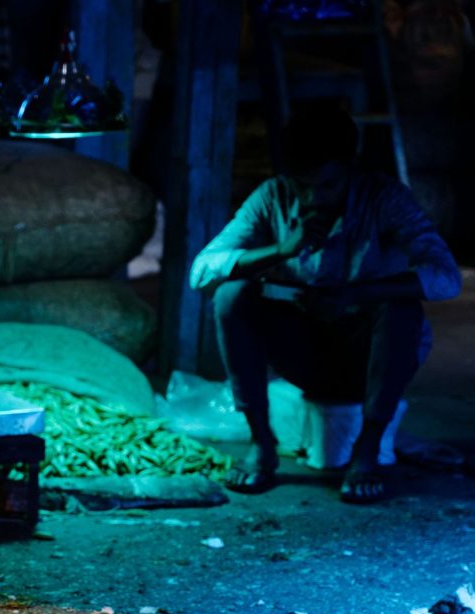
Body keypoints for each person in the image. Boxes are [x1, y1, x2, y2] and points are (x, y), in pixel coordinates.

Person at [189, 103, 461, 504]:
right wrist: (282, 249)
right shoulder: (273, 197)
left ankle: (366, 449)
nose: (314, 197)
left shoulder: (384, 198)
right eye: (303, 185)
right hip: (304, 352)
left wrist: (359, 294)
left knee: (402, 307)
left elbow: (446, 277)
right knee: (233, 294)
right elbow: (202, 271)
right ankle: (262, 444)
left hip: (367, 354)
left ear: (351, 168)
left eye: (328, 186)